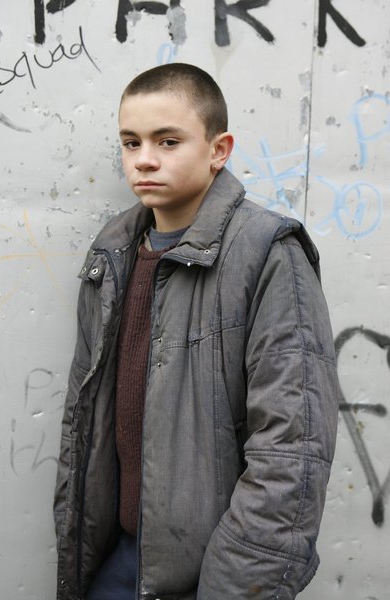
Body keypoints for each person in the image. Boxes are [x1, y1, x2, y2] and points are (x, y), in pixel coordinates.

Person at [54, 63, 339, 600]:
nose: (144, 159)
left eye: (168, 141)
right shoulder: (111, 253)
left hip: (212, 574)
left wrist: (233, 586)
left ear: (218, 150)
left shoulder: (268, 253)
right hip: (119, 562)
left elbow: (292, 451)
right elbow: (83, 424)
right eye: (131, 142)